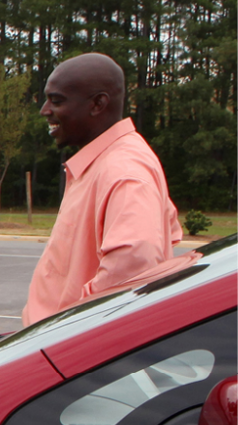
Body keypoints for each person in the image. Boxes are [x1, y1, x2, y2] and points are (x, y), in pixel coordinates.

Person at [23, 53, 180, 325]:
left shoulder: (124, 170)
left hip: (68, 354)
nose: (45, 110)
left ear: (98, 104)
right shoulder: (107, 163)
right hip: (56, 350)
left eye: (56, 100)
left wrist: (69, 327)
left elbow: (135, 262)